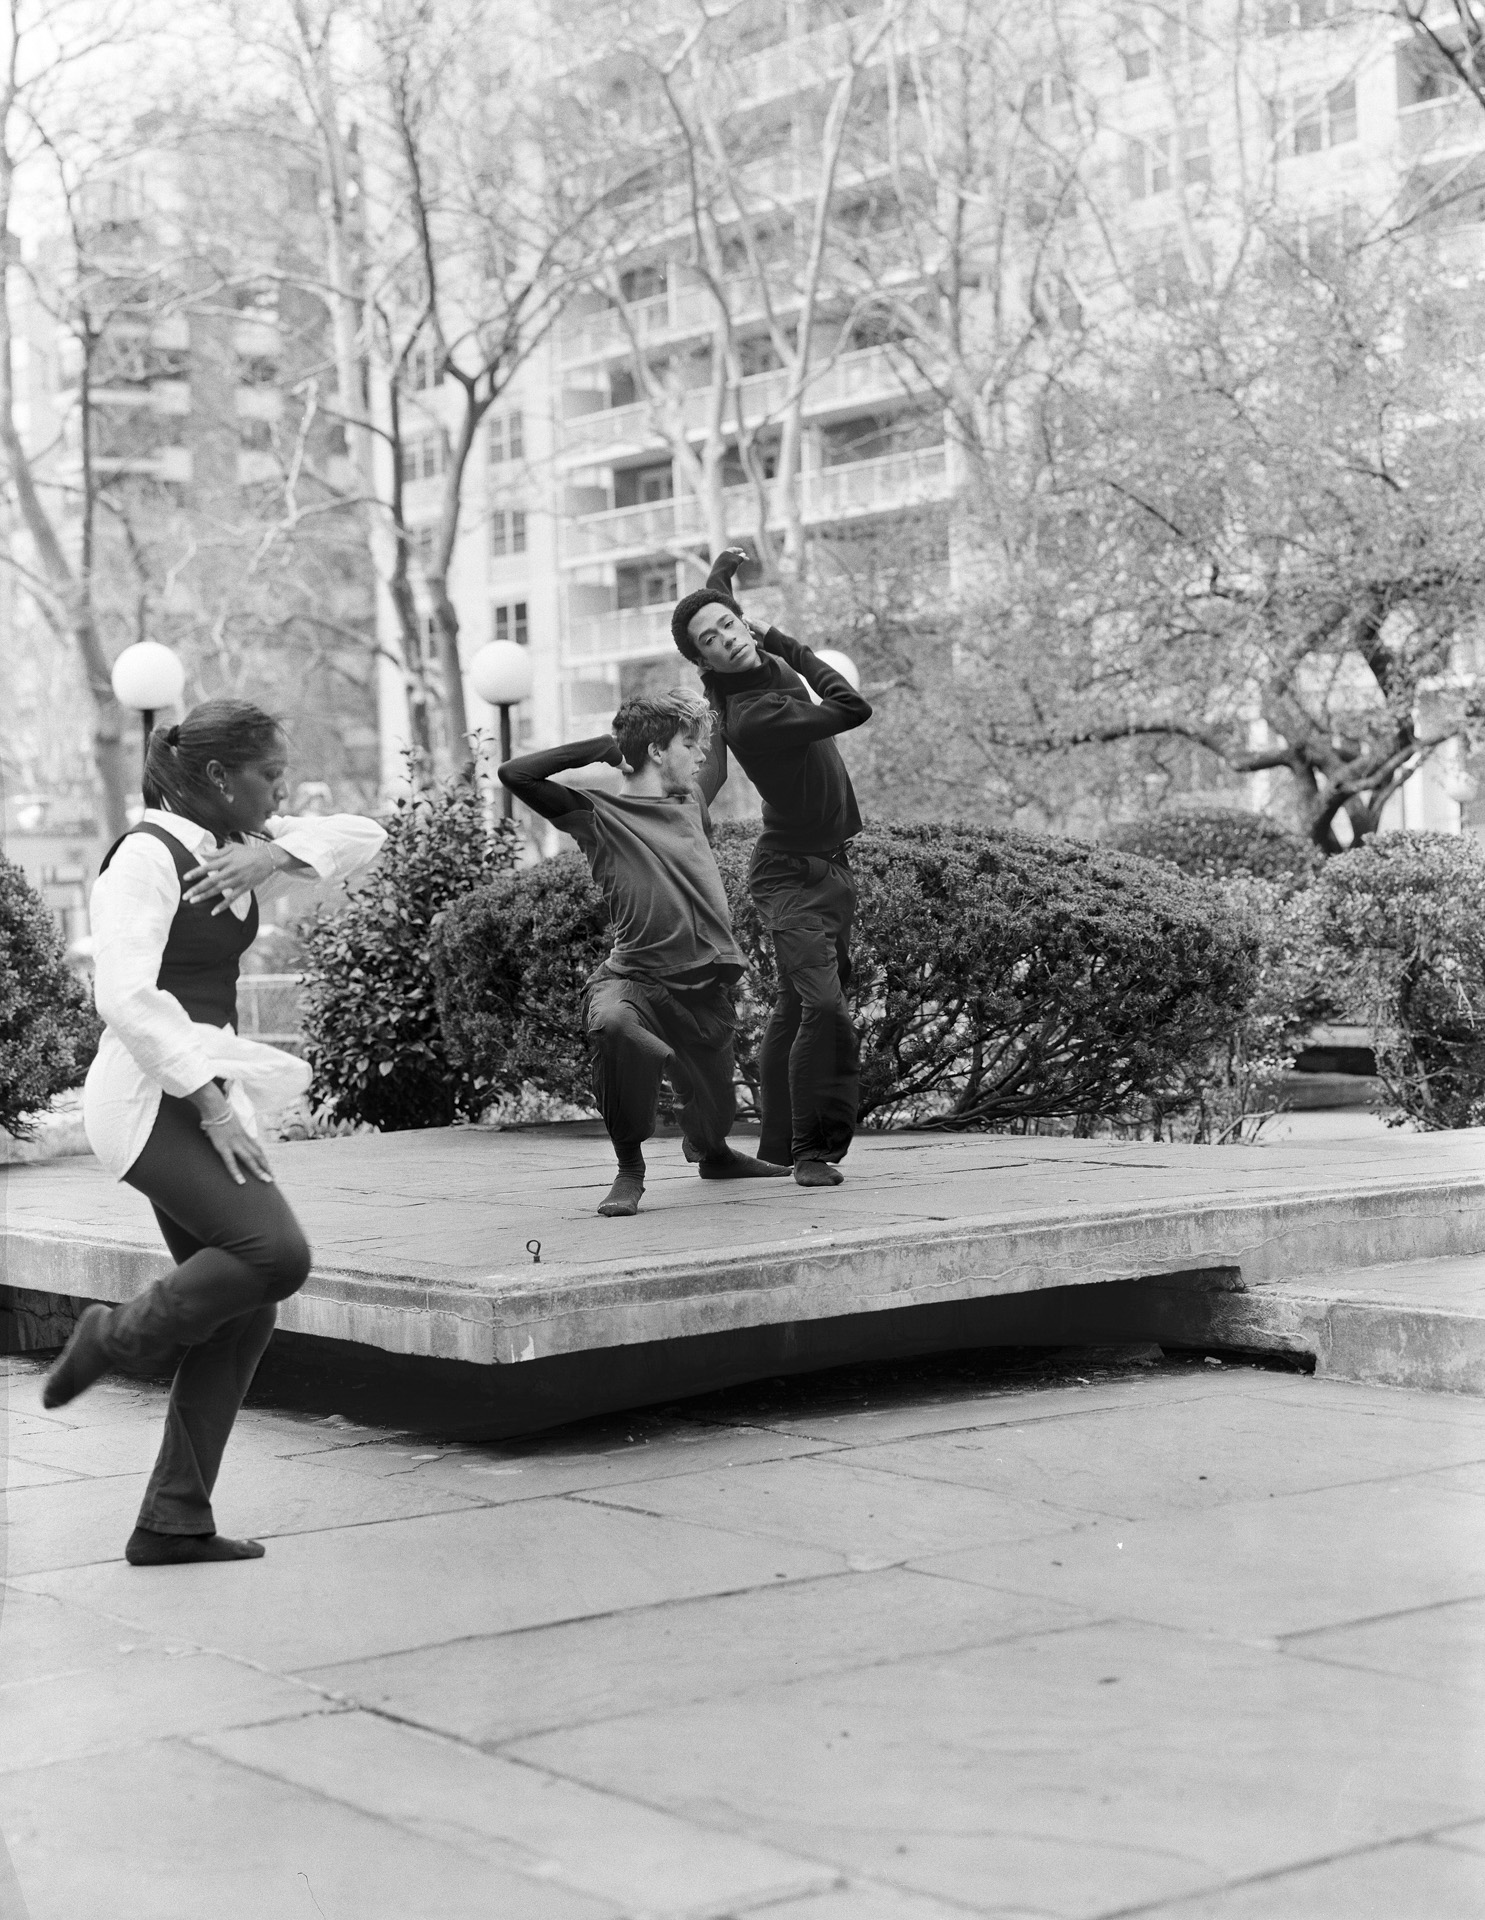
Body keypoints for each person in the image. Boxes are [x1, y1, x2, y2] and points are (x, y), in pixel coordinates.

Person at [42, 700, 386, 1567]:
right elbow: (122, 996)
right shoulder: (145, 861)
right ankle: (112, 1337)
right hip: (148, 1100)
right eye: (270, 774)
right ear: (219, 777)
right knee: (277, 1256)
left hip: (196, 1091)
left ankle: (172, 1521)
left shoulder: (229, 848)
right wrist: (216, 1105)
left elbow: (365, 834)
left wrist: (274, 851)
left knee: (247, 1310)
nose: (282, 787)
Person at [499, 690, 789, 1216]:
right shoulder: (598, 815)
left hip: (703, 985)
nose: (700, 754)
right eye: (687, 743)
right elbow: (516, 774)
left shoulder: (690, 801)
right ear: (657, 751)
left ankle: (716, 1155)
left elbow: (717, 756)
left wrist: (718, 685)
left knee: (714, 1108)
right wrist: (606, 747)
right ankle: (630, 1168)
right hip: (634, 978)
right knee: (613, 1025)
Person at [670, 550, 872, 1187]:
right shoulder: (754, 715)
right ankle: (813, 1152)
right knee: (826, 1011)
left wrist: (721, 580)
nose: (729, 640)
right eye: (713, 641)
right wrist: (780, 638)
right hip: (790, 879)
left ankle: (780, 1147)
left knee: (794, 1010)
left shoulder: (731, 674)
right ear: (703, 662)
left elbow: (715, 615)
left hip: (829, 870)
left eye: (729, 625)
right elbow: (851, 708)